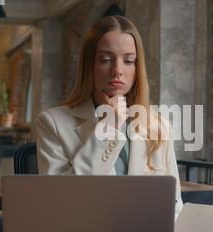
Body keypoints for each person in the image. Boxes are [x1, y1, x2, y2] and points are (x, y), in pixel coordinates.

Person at [36, 15, 183, 217]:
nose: (117, 71)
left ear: (137, 68)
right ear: (89, 65)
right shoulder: (52, 122)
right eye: (105, 60)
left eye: (129, 61)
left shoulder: (158, 125)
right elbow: (61, 200)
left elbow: (174, 203)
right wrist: (109, 129)